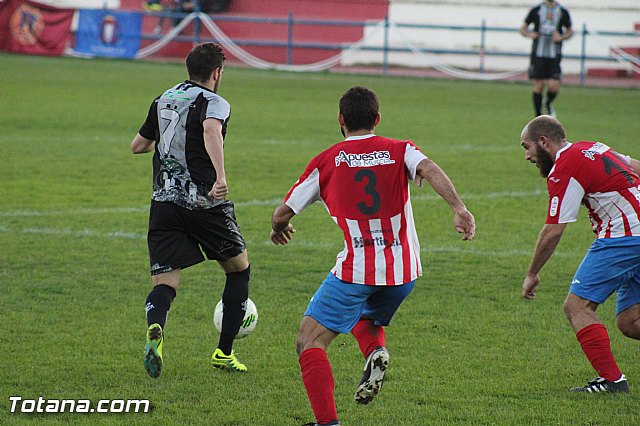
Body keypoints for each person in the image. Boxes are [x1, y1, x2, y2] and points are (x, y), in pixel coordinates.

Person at [270, 86, 476, 425]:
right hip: (404, 272)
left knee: (309, 341)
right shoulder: (399, 150)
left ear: (340, 120)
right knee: (366, 317)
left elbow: (282, 213)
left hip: (356, 271)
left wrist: (278, 228)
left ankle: (327, 422)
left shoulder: (327, 161)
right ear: (377, 119)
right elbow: (429, 168)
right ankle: (374, 351)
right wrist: (459, 208)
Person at [131, 42, 251, 378]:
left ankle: (156, 327)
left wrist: (163, 141)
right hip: (204, 201)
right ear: (216, 73)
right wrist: (222, 176)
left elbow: (138, 145)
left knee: (165, 281)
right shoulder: (215, 101)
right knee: (238, 269)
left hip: (164, 202)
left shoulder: (164, 97)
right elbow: (211, 129)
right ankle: (224, 353)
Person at [520, 115, 640, 393]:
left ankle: (612, 381)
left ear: (543, 142)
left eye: (526, 147)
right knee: (630, 321)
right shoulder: (594, 147)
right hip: (633, 234)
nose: (527, 156)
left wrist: (532, 273)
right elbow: (635, 167)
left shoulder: (565, 165)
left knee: (576, 307)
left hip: (624, 237)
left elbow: (553, 230)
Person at [520, 0, 573, 117]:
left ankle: (548, 102)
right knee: (538, 85)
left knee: (554, 85)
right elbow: (523, 28)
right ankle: (538, 116)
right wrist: (530, 34)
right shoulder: (536, 10)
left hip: (554, 55)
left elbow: (570, 31)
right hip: (538, 54)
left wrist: (561, 37)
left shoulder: (562, 11)